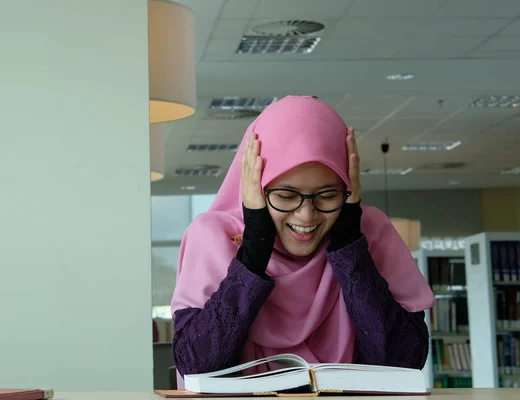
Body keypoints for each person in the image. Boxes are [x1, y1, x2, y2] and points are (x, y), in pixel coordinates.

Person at [170, 95, 435, 384]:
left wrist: (348, 243)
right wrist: (254, 248)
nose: (307, 216)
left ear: (349, 186)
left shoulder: (370, 231)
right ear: (254, 186)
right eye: (285, 196)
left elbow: (402, 364)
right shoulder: (213, 237)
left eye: (328, 195)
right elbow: (196, 365)